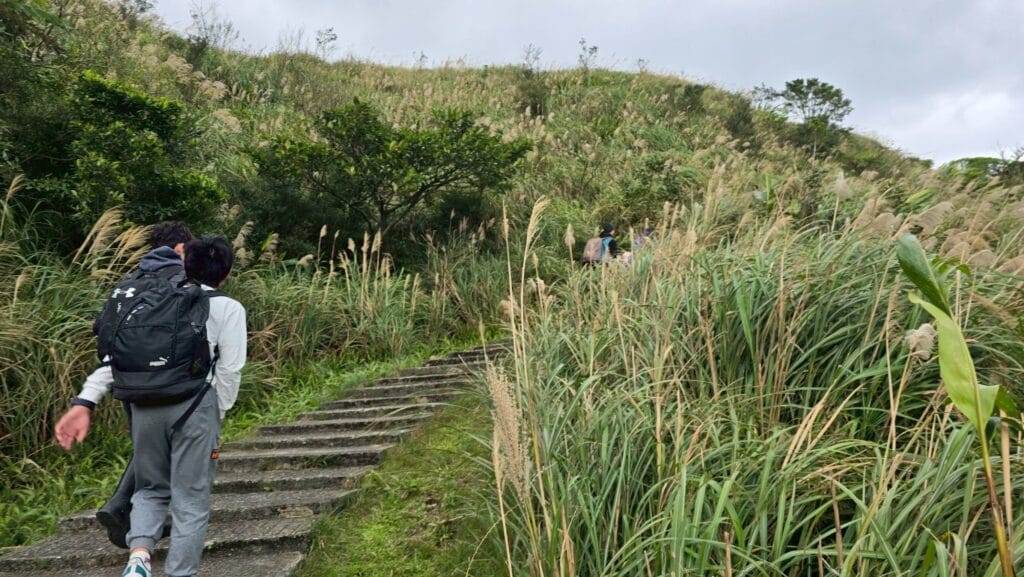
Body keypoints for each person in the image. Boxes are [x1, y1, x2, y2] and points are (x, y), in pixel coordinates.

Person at [56, 236, 247, 577]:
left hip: (145, 406)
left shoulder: (155, 300)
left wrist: (85, 400)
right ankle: (180, 573)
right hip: (194, 406)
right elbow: (230, 369)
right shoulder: (228, 308)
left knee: (149, 488)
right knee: (191, 499)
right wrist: (217, 411)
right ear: (226, 274)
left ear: (184, 264)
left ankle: (139, 556)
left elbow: (116, 359)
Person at [55, 221, 193, 549]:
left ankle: (127, 516)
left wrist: (86, 400)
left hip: (129, 383)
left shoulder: (128, 284)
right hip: (170, 383)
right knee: (166, 451)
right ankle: (121, 508)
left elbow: (110, 345)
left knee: (149, 451)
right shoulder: (183, 283)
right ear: (179, 249)